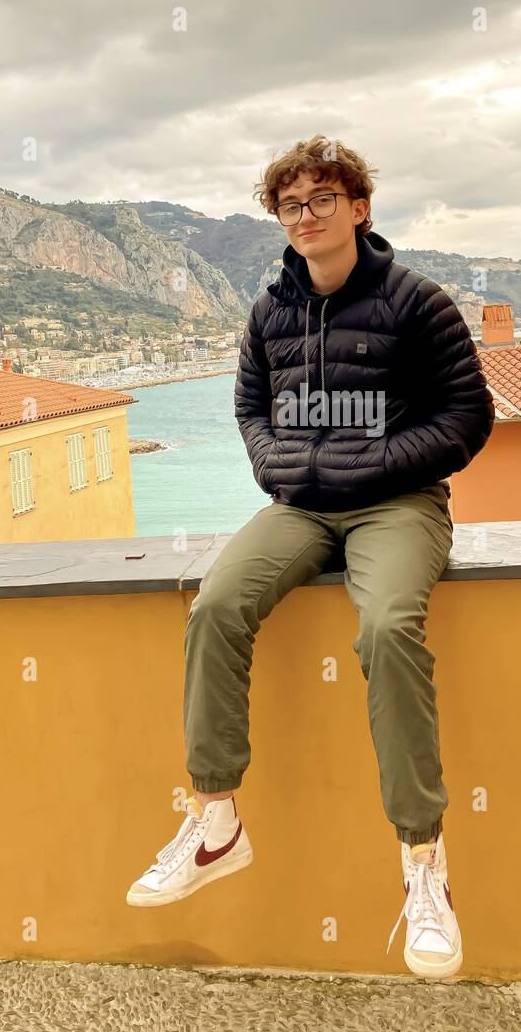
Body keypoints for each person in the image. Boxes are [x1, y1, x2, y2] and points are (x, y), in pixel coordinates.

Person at [127, 135, 495, 978]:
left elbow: (466, 420)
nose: (306, 215)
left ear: (359, 208)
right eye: (291, 204)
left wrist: (374, 463)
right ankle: (216, 822)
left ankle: (424, 866)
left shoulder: (417, 302)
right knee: (216, 605)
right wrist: (273, 463)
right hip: (298, 510)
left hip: (398, 507)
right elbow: (251, 407)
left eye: (323, 199)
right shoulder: (267, 314)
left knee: (387, 628)